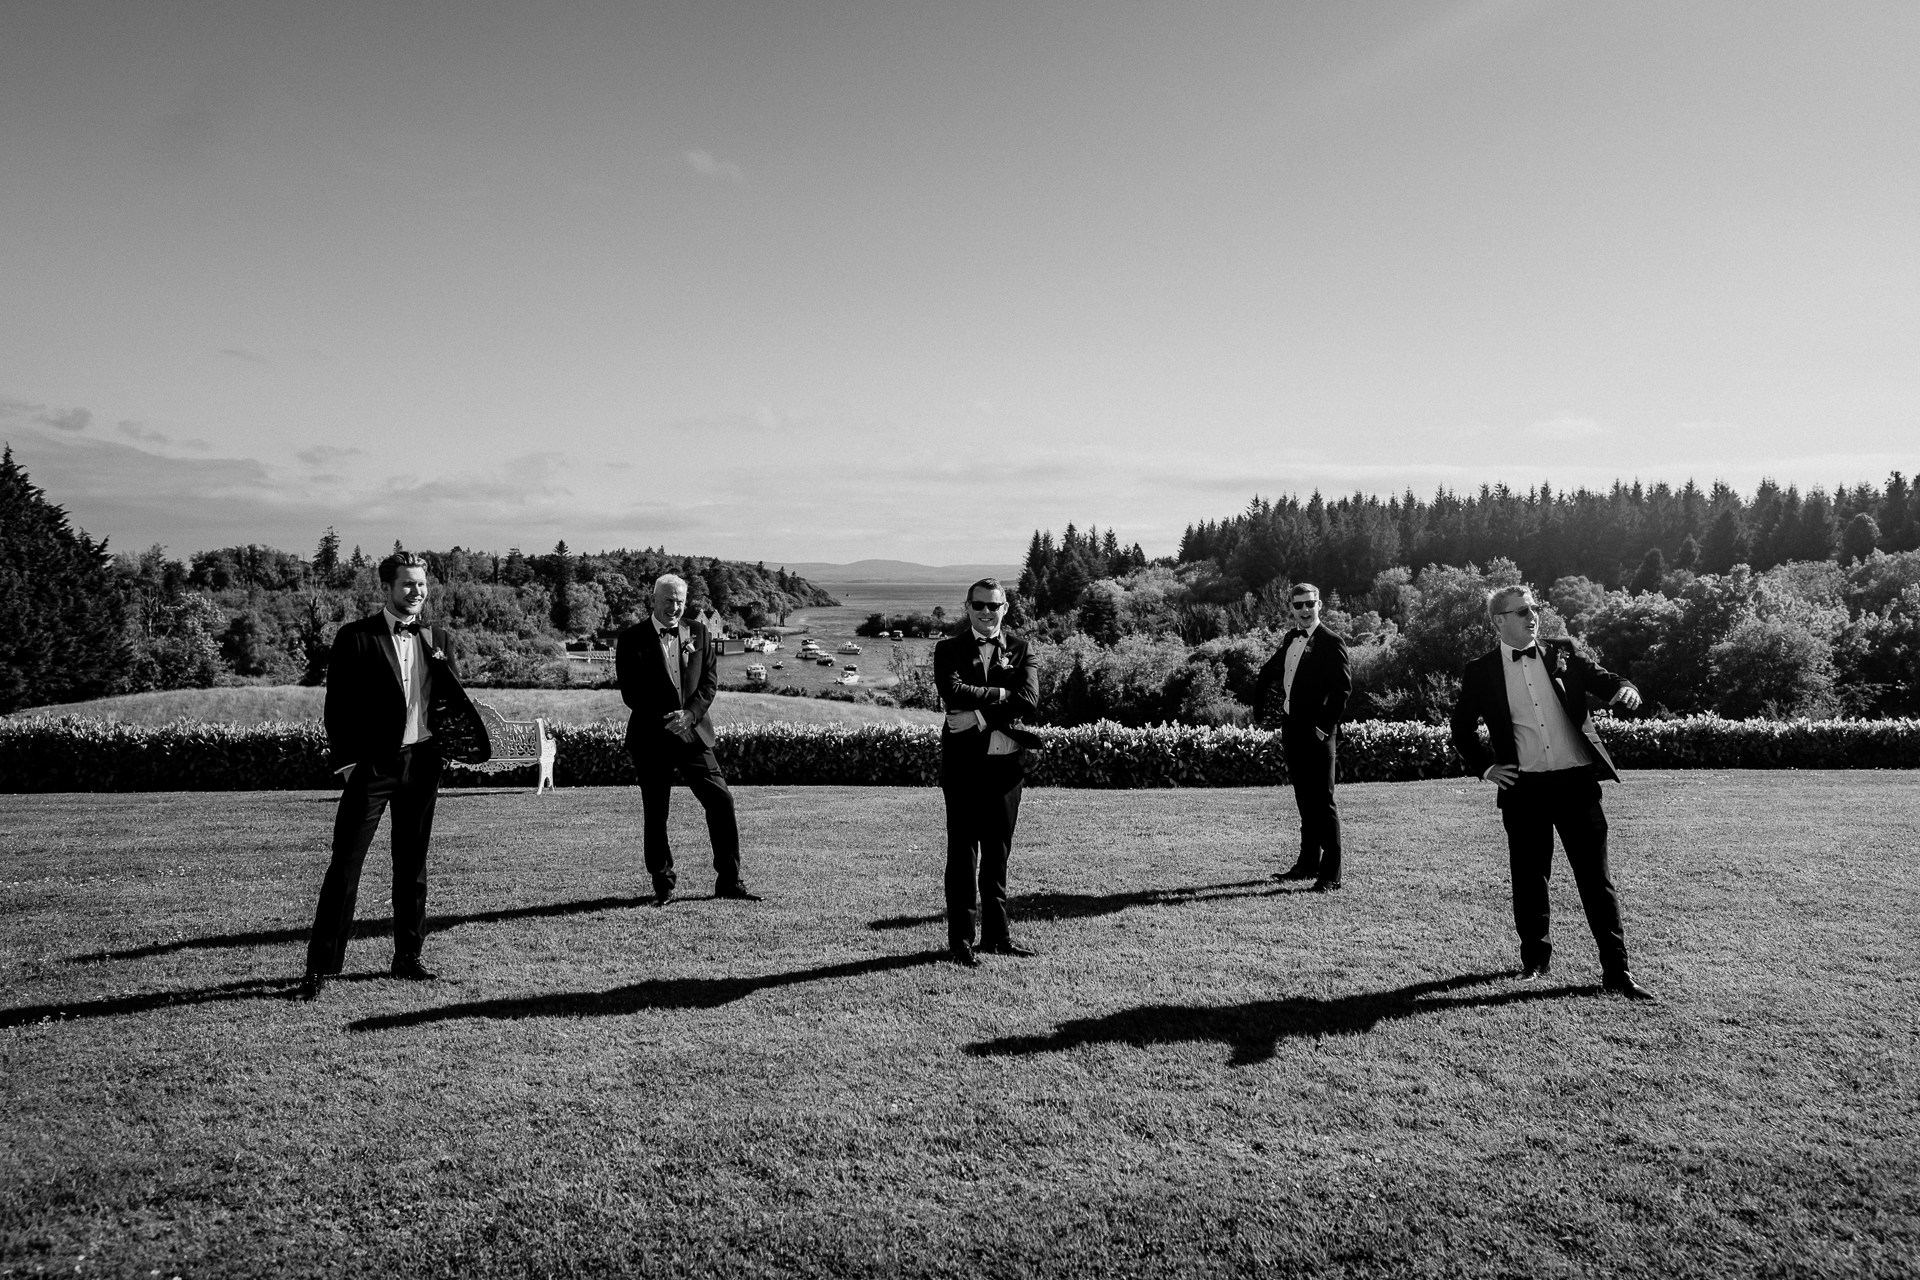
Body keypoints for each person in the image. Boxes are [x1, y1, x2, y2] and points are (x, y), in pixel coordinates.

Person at [1449, 585, 1654, 999]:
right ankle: (1535, 962)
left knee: (1596, 881)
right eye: (1521, 610)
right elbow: (1461, 728)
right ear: (1499, 620)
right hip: (1524, 789)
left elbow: (1605, 678)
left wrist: (1623, 688)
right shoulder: (1481, 670)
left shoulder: (1562, 651)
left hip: (1577, 784)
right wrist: (1487, 768)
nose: (1532, 615)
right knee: (1529, 878)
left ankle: (1617, 971)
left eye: (1534, 607)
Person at [301, 551, 486, 999]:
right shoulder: (355, 637)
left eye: (422, 585)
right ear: (387, 588)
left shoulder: (438, 637)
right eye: (408, 584)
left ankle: (408, 957)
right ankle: (322, 968)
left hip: (422, 764)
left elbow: (449, 701)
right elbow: (338, 708)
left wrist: (450, 750)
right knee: (346, 864)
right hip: (372, 768)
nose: (416, 592)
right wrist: (349, 766)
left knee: (412, 865)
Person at [615, 574, 757, 906]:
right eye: (668, 600)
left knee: (721, 801)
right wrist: (670, 718)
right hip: (652, 737)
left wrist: (689, 716)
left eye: (680, 601)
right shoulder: (631, 639)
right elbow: (631, 693)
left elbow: (708, 683)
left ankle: (729, 881)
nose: (675, 607)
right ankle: (663, 885)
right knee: (656, 812)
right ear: (653, 600)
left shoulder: (699, 631)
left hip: (693, 734)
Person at [934, 578, 1042, 966]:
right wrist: (1001, 696)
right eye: (978, 605)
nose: (985, 612)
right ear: (967, 607)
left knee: (997, 856)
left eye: (993, 606)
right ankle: (961, 941)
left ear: (1005, 608)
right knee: (962, 856)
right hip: (963, 769)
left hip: (1006, 768)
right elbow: (951, 691)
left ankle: (997, 937)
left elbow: (1029, 701)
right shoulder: (947, 649)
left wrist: (979, 715)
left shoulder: (1022, 649)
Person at [1252, 583, 1352, 891]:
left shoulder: (1331, 642)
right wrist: (1260, 707)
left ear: (1319, 604)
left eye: (1310, 604)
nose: (1305, 610)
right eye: (1299, 605)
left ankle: (1330, 874)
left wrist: (1322, 728)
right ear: (1292, 609)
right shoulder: (1289, 638)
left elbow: (1342, 690)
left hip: (1319, 733)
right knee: (1304, 800)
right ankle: (1308, 863)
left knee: (1324, 801)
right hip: (1292, 728)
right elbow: (1270, 671)